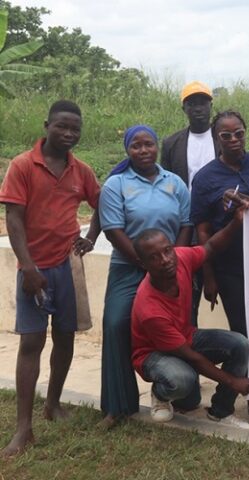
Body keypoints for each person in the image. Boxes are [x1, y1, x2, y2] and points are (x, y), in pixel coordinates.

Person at [0, 100, 100, 456]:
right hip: (34, 268)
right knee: (31, 344)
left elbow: (101, 201)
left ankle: (53, 404)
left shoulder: (81, 170)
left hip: (68, 266)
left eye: (75, 128)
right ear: (47, 125)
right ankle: (23, 428)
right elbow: (14, 219)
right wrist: (28, 268)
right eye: (62, 126)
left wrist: (92, 237)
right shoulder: (23, 166)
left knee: (65, 338)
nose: (69, 133)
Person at [98, 125, 193, 427]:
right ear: (128, 150)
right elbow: (113, 230)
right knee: (116, 324)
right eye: (136, 146)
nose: (143, 151)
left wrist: (172, 262)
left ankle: (181, 395)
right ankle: (118, 405)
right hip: (128, 268)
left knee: (178, 327)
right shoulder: (116, 184)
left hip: (167, 269)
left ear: (157, 147)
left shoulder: (174, 182)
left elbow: (186, 223)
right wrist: (146, 263)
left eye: (148, 144)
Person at [130, 220, 249, 429]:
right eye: (154, 257)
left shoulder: (181, 258)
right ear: (143, 265)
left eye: (167, 250)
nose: (166, 260)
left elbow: (211, 247)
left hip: (184, 336)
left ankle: (221, 411)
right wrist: (234, 382)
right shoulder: (149, 309)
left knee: (239, 343)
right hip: (152, 354)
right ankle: (160, 393)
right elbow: (193, 358)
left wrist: (236, 222)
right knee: (182, 380)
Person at [190, 110, 249, 419]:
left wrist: (245, 200)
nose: (234, 140)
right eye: (226, 136)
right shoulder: (205, 178)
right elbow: (202, 229)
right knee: (243, 329)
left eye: (239, 133)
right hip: (230, 266)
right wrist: (209, 276)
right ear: (215, 138)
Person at [161, 80, 219, 326]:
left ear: (210, 105)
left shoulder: (223, 136)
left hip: (220, 222)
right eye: (191, 103)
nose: (198, 108)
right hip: (185, 224)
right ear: (184, 108)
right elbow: (165, 183)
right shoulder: (172, 143)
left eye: (203, 102)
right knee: (187, 294)